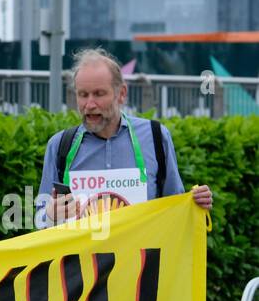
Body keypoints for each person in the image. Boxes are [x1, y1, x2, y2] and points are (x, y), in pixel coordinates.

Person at [37, 48, 213, 227]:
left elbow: (176, 209)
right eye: (83, 95)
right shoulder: (59, 146)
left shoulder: (156, 137)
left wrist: (196, 203)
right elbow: (39, 219)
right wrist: (50, 216)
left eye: (99, 94)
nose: (89, 104)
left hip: (141, 255)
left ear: (121, 93)